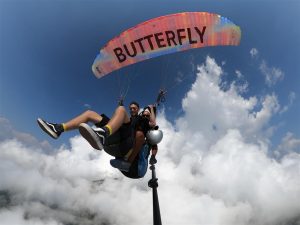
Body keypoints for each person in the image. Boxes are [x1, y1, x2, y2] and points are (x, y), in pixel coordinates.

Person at [37, 102, 158, 178]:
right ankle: (58, 128)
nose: (132, 110)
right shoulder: (130, 120)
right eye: (131, 108)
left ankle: (103, 134)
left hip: (128, 149)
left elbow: (152, 123)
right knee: (90, 113)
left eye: (134, 108)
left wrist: (151, 109)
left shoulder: (145, 124)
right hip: (116, 142)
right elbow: (120, 119)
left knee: (123, 112)